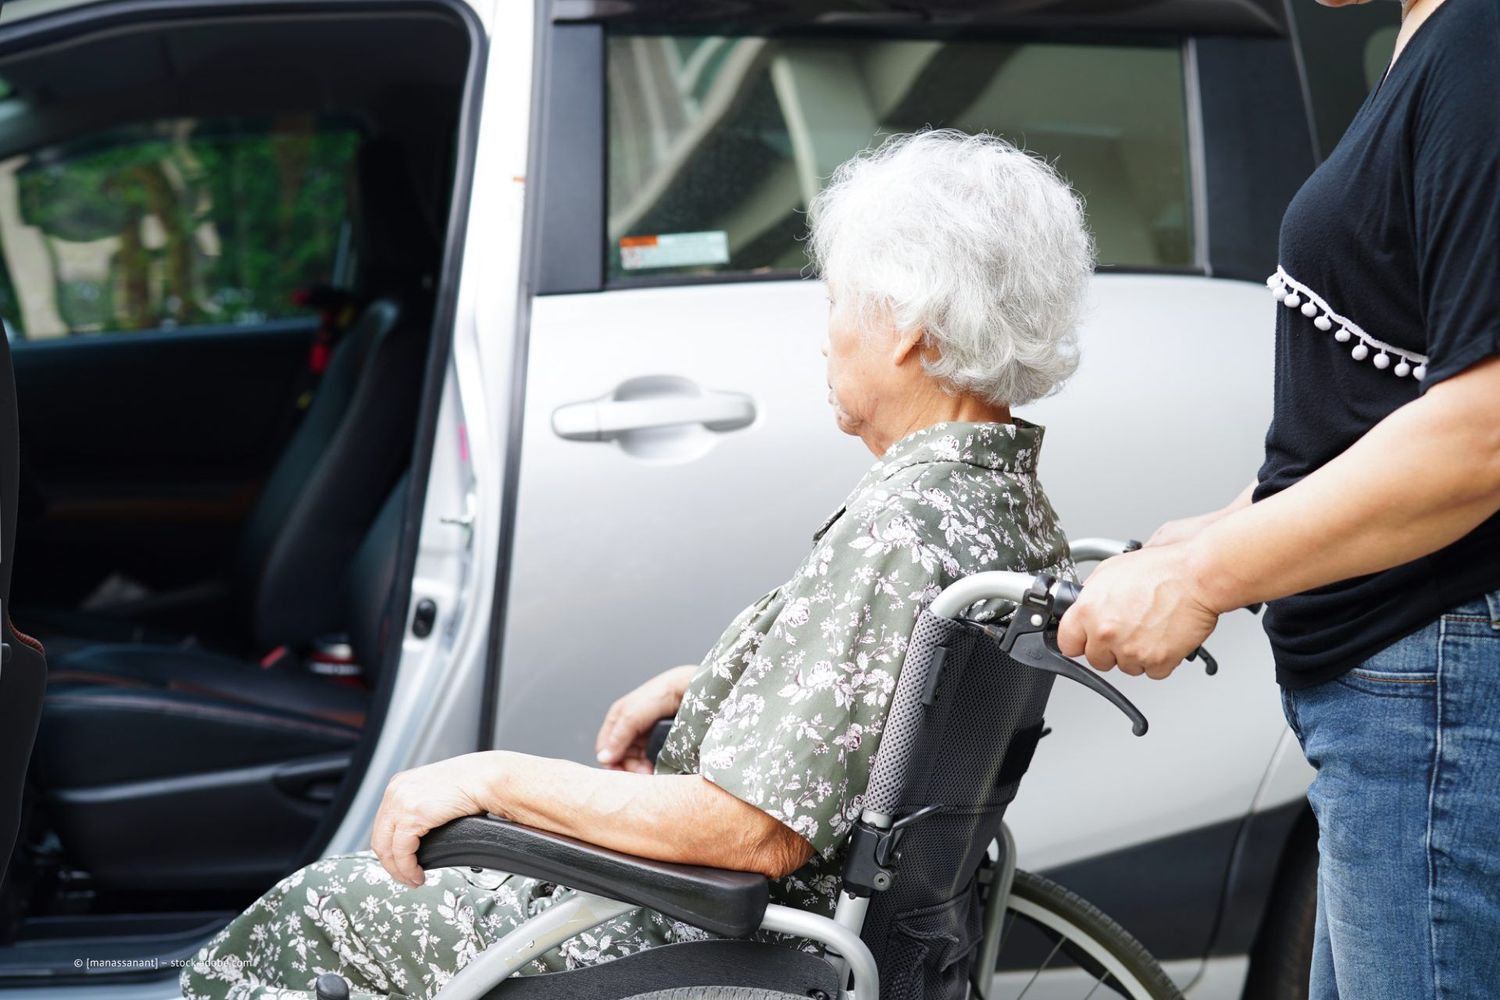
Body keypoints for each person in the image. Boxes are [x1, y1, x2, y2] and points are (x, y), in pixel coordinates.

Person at [180, 128, 1095, 1000]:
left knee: (318, 914)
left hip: (733, 941)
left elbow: (747, 830)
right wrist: (728, 685)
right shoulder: (1004, 508)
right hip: (825, 925)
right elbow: (897, 701)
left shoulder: (904, 529)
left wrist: (489, 777)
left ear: (903, 325)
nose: (825, 337)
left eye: (835, 303)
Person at [1056, 1, 1500, 997]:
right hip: (1396, 698)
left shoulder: (1483, 48)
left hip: (1434, 690)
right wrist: (1214, 529)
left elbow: (1485, 431)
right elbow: (1384, 391)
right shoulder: (1434, 47)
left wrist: (1206, 575)